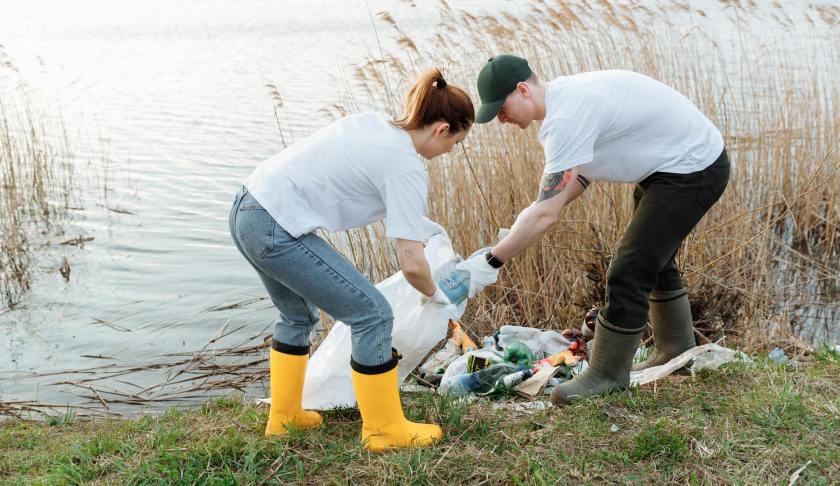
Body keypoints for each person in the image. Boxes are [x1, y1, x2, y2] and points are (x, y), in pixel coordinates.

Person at [457, 55, 730, 404]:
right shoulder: (568, 99)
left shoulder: (564, 118)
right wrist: (524, 223)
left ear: (523, 90)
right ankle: (677, 350)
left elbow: (546, 214)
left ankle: (607, 374)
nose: (501, 119)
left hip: (693, 168)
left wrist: (493, 261)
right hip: (669, 168)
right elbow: (570, 185)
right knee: (651, 260)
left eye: (501, 108)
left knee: (630, 268)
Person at [229, 69, 474, 450]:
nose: (451, 151)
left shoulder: (374, 124)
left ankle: (284, 417)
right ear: (441, 129)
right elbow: (411, 263)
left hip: (248, 208)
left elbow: (365, 187)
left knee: (297, 316)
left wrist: (422, 227)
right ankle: (384, 430)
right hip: (276, 226)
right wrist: (436, 295)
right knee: (373, 314)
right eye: (456, 142)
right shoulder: (406, 166)